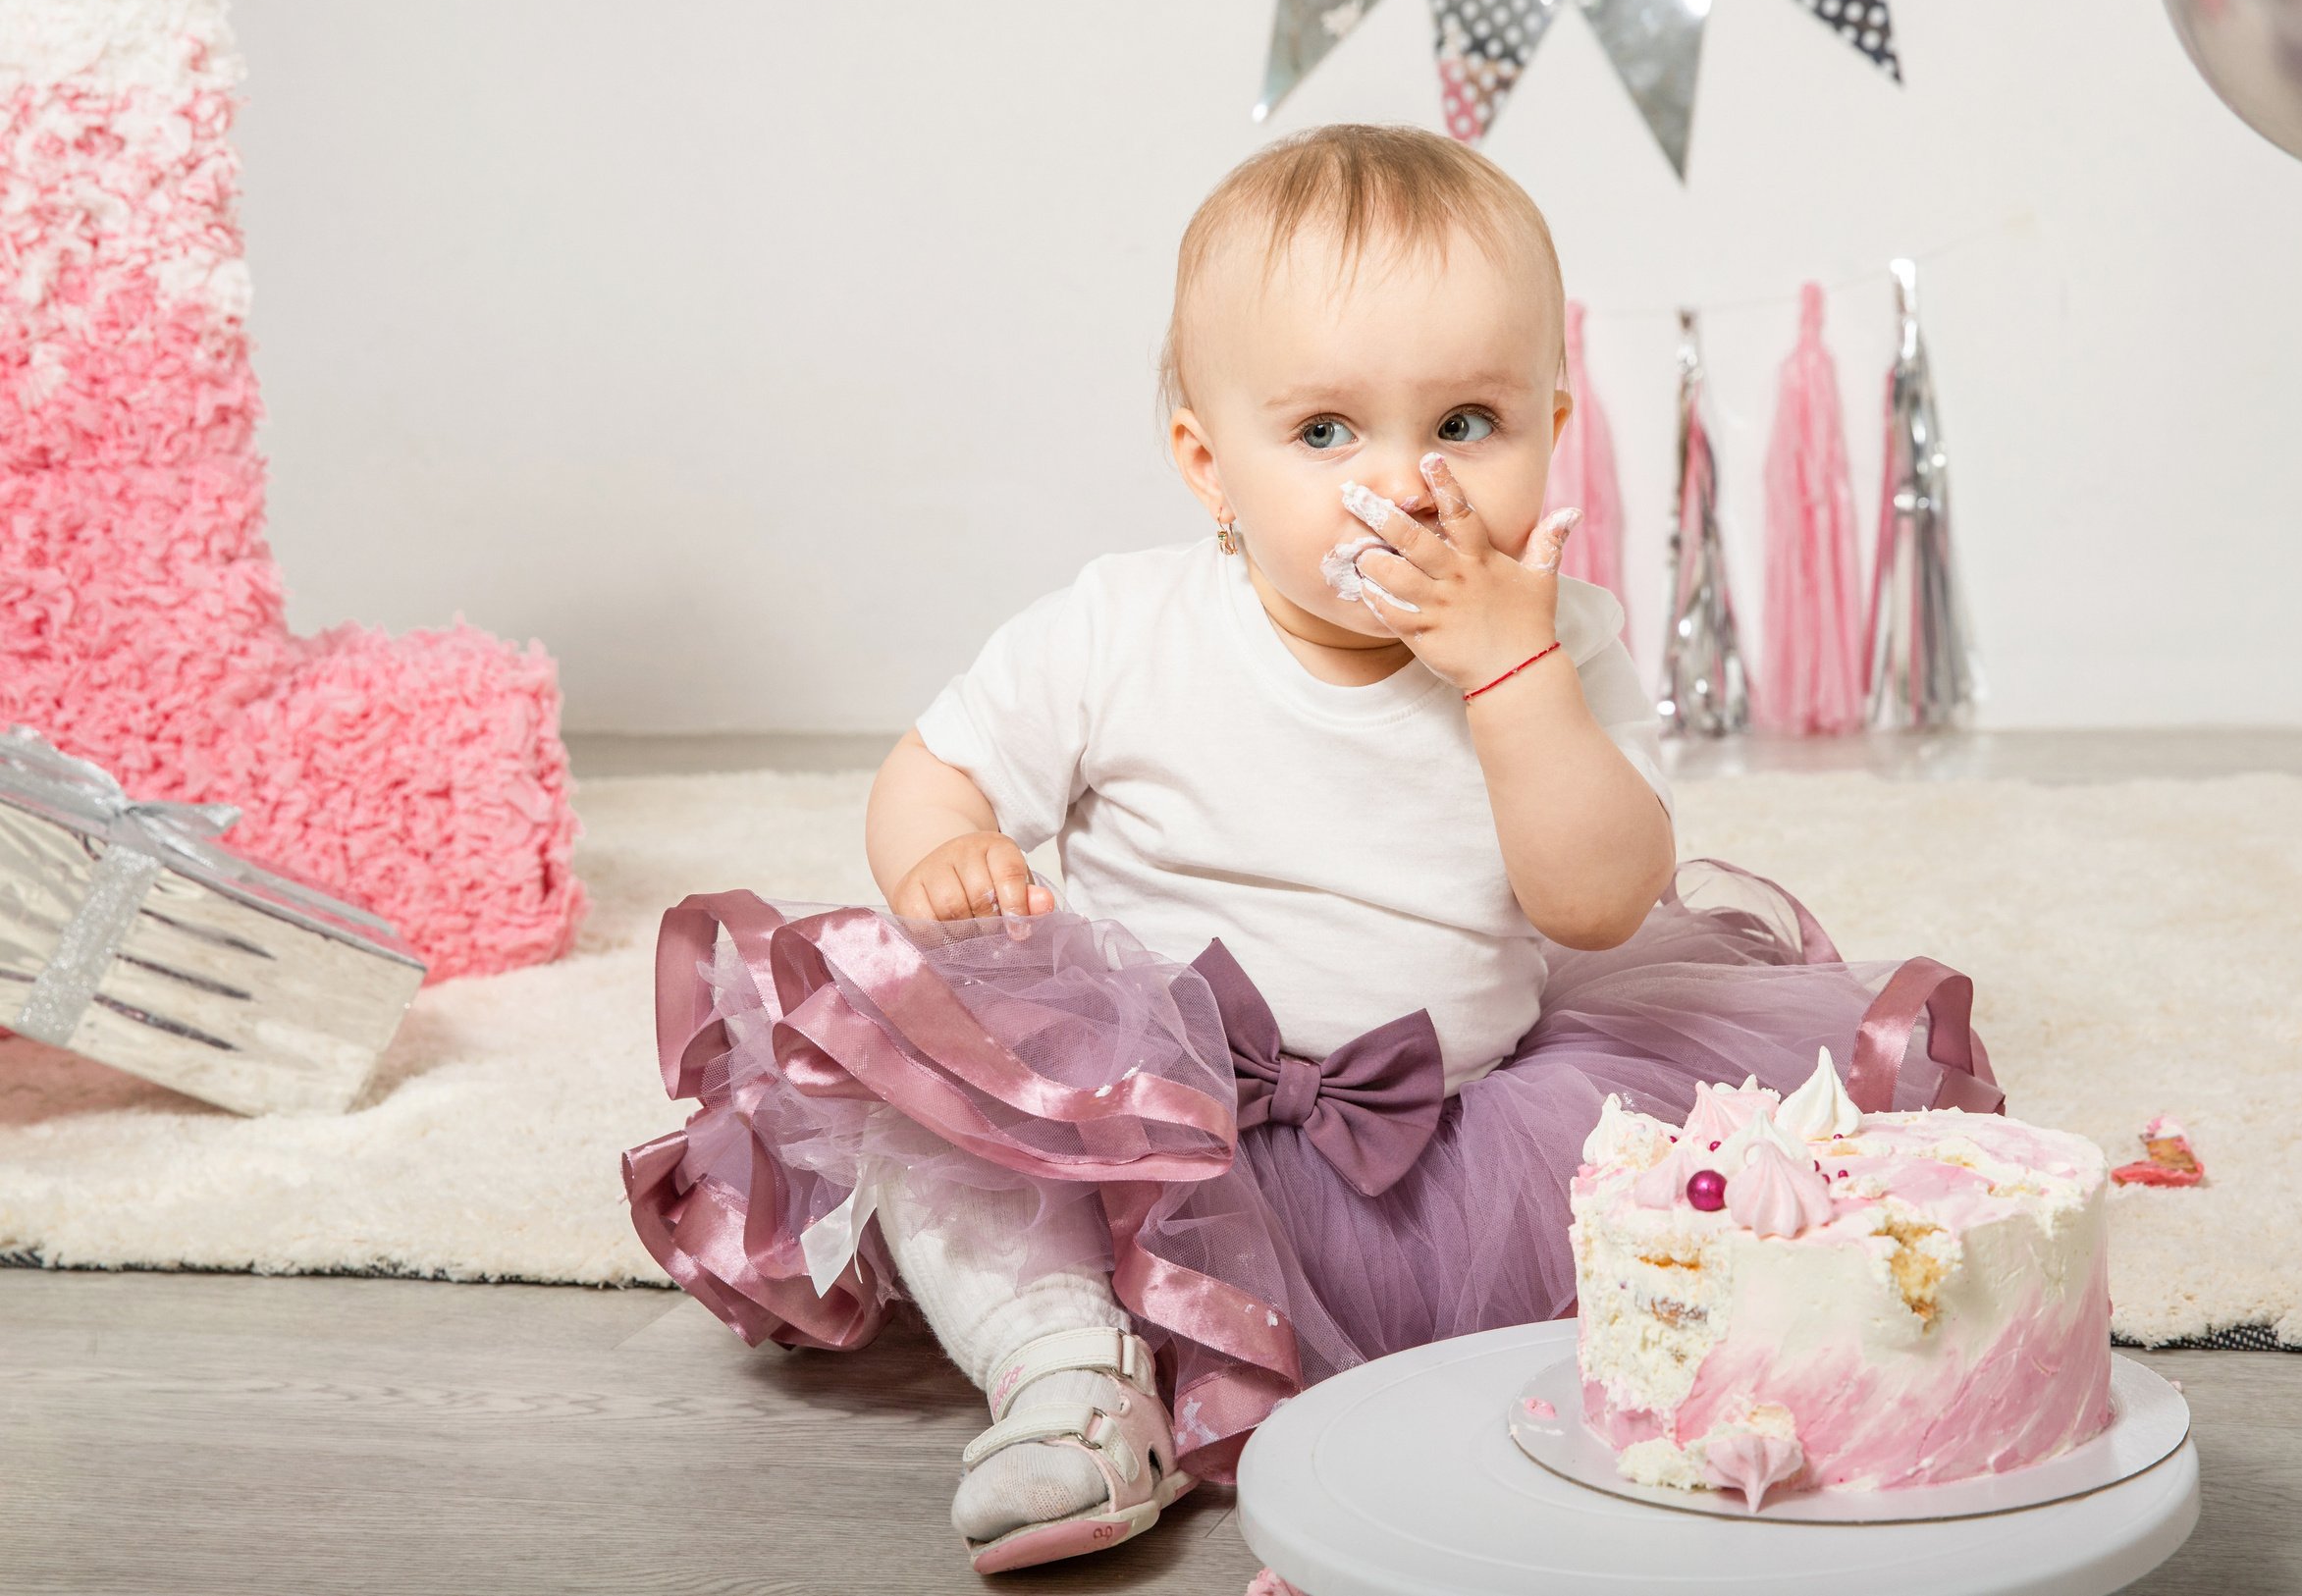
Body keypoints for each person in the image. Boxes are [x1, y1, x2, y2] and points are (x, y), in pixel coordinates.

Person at [622, 124, 1998, 1573]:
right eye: (1327, 433)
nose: (1402, 481)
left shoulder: (1560, 645)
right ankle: (1066, 1373)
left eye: (1466, 422)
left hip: (1439, 1138)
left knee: (1696, 1240)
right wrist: (946, 854)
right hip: (1134, 1120)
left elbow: (1598, 903)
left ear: (1551, 427)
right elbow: (933, 772)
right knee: (920, 1106)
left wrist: (1511, 677)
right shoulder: (1120, 630)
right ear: (1209, 464)